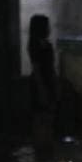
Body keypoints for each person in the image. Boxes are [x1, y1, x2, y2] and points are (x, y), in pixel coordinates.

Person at [28, 14, 57, 154]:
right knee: (40, 115)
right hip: (41, 82)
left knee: (48, 115)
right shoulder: (34, 44)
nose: (49, 28)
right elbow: (36, 68)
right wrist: (41, 88)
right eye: (47, 26)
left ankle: (46, 144)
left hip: (49, 80)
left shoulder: (46, 44)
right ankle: (40, 145)